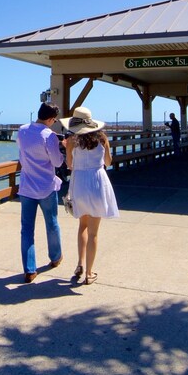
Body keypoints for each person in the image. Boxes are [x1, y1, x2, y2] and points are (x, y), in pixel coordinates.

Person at [62, 106, 119, 285]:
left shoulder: (72, 140)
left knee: (83, 227)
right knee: (94, 232)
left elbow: (69, 165)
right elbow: (108, 162)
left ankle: (79, 264)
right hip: (97, 181)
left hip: (79, 182)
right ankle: (89, 272)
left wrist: (68, 149)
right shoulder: (102, 138)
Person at [16, 102, 66, 283]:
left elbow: (22, 151)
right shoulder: (49, 136)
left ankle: (29, 270)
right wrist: (62, 148)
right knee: (51, 223)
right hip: (46, 187)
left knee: (26, 229)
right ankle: (55, 257)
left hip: (27, 187)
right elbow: (57, 162)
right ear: (52, 118)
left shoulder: (22, 130)